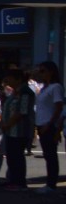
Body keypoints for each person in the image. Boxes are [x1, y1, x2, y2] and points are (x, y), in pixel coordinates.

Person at [32, 61, 64, 194]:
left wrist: (50, 124)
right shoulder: (45, 88)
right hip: (41, 124)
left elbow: (58, 107)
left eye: (43, 71)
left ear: (51, 72)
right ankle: (49, 183)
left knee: (51, 156)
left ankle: (51, 184)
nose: (41, 74)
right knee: (47, 155)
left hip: (48, 126)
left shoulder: (56, 87)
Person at [2, 69, 34, 191]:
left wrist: (8, 124)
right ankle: (12, 180)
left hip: (19, 131)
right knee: (11, 156)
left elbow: (22, 111)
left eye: (10, 78)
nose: (7, 81)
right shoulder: (15, 92)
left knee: (17, 156)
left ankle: (19, 182)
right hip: (10, 130)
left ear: (18, 79)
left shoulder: (25, 92)